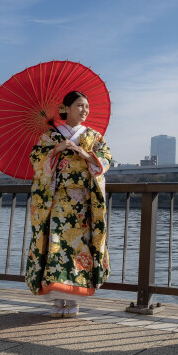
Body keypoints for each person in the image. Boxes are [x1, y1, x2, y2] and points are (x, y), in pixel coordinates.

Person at [24, 90, 112, 318]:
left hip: (83, 203)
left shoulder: (93, 136)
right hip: (57, 202)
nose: (85, 111)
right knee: (56, 246)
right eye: (80, 106)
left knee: (79, 249)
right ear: (66, 108)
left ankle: (74, 301)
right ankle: (57, 300)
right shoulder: (50, 136)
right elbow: (36, 160)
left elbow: (107, 159)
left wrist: (86, 154)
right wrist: (56, 150)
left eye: (87, 107)